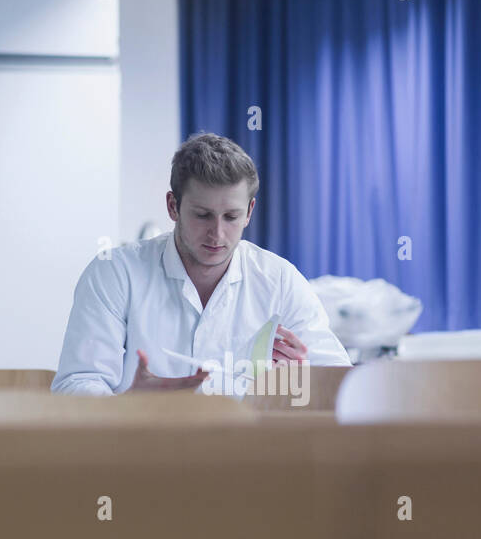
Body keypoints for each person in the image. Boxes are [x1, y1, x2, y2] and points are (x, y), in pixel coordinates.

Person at [52, 133, 350, 395]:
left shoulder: (280, 280)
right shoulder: (114, 273)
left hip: (248, 452)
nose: (217, 234)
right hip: (143, 450)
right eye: (202, 215)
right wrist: (128, 405)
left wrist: (308, 377)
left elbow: (341, 385)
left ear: (249, 212)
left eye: (231, 217)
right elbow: (75, 383)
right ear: (173, 206)